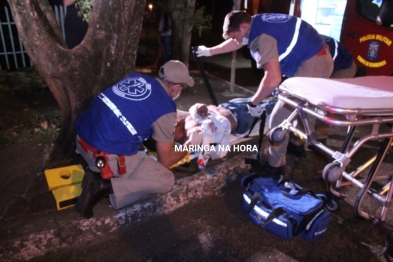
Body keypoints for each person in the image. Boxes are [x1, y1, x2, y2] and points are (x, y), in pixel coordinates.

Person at [196, 11, 334, 174]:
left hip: (312, 67)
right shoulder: (257, 21)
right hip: (318, 58)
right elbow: (238, 41)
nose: (236, 41)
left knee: (279, 117)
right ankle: (296, 146)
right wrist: (209, 51)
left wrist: (253, 102)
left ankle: (275, 167)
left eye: (235, 36)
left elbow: (273, 78)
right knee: (294, 109)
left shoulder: (261, 38)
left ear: (243, 27)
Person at [74, 60, 194, 218]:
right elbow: (166, 161)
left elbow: (140, 108)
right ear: (176, 87)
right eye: (183, 87)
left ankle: (102, 176)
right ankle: (104, 186)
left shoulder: (136, 78)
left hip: (81, 139)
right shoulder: (165, 108)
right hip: (100, 156)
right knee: (165, 180)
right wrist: (189, 146)